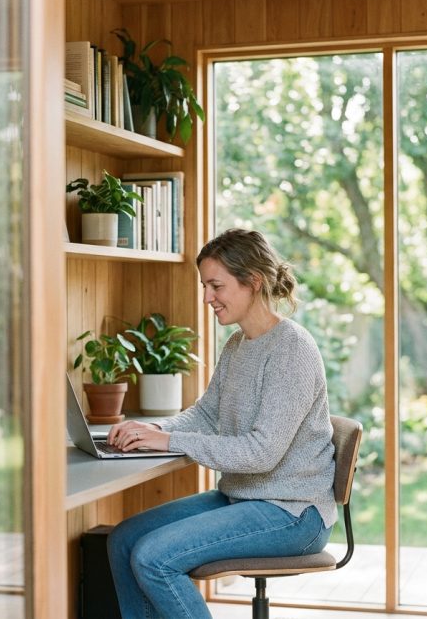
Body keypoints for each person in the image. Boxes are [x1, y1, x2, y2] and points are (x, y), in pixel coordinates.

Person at [106, 228, 336, 619]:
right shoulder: (237, 345)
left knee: (153, 557)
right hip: (244, 497)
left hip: (293, 512)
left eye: (216, 285)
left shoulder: (292, 349)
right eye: (205, 286)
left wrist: (168, 442)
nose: (206, 297)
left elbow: (261, 452)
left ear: (253, 282)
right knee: (125, 540)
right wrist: (158, 431)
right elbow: (208, 412)